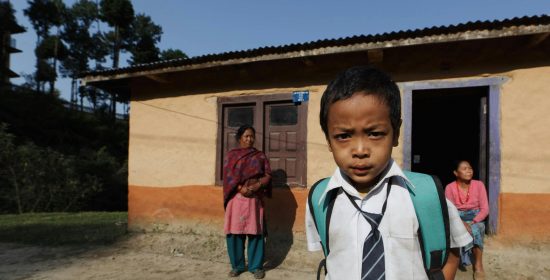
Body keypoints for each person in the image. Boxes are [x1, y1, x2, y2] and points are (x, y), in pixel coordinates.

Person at [305, 66, 473, 279]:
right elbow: (333, 257)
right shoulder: (321, 199)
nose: (360, 151)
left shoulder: (426, 195)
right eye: (343, 136)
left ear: (395, 133)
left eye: (375, 133)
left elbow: (451, 253)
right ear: (328, 139)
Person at [223, 124, 272, 279]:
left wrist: (257, 185)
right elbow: (228, 176)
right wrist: (240, 188)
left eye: (252, 136)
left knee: (255, 232)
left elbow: (268, 175)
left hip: (254, 199)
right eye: (246, 136)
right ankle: (237, 266)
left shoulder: (260, 156)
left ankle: (256, 267)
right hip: (237, 199)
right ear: (239, 138)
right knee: (235, 233)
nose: (250, 139)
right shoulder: (232, 155)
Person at [445, 160, 489, 280]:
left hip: (475, 217)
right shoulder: (450, 187)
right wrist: (462, 223)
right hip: (457, 216)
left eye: (470, 168)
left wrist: (473, 222)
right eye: (464, 168)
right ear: (456, 173)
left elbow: (485, 209)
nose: (469, 170)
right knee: (454, 228)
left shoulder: (479, 185)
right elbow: (450, 210)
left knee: (478, 228)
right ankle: (456, 259)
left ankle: (478, 265)